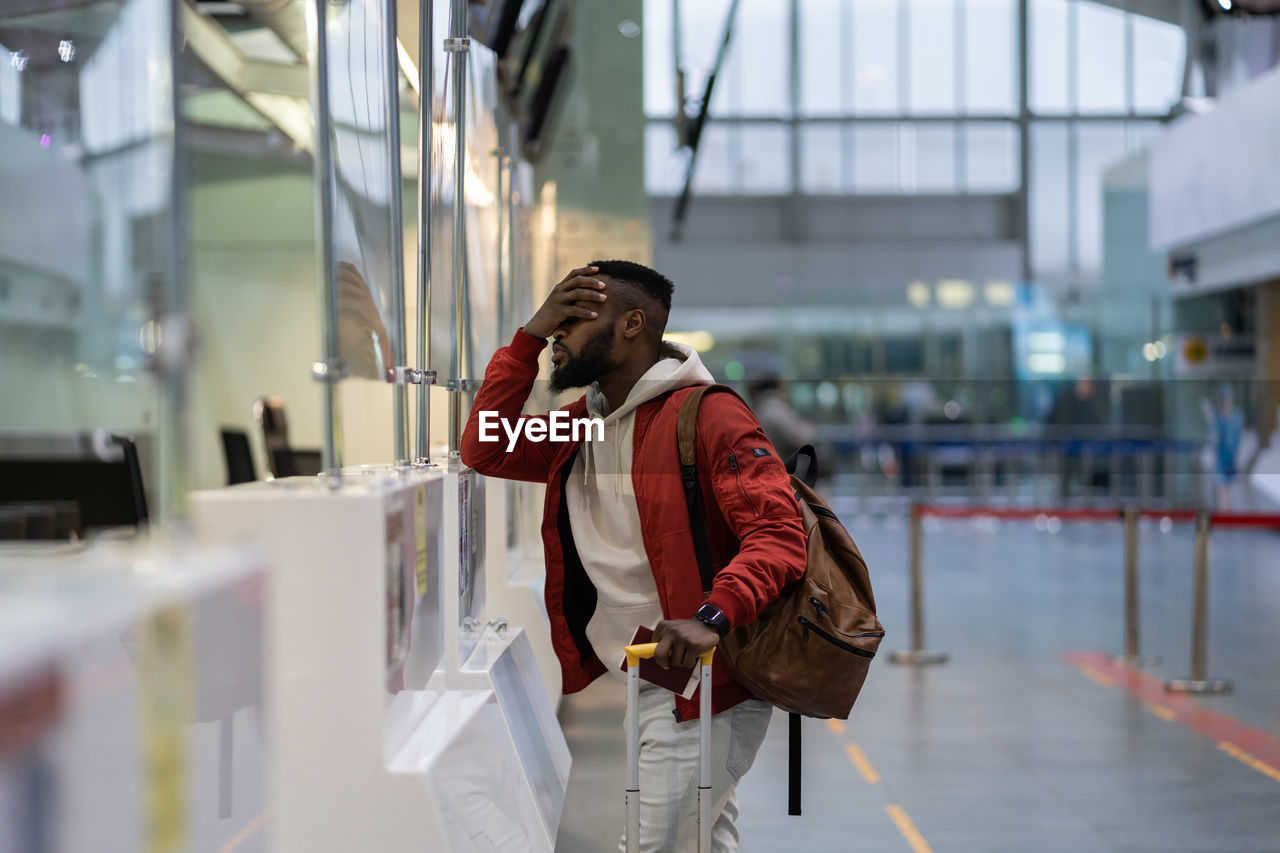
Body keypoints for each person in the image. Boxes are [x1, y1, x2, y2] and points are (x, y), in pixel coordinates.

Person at [461, 261, 807, 852]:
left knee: (653, 845)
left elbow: (780, 531)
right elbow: (485, 448)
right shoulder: (587, 426)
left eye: (570, 322)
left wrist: (712, 616)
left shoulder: (708, 415)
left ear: (631, 324)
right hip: (651, 668)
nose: (555, 338)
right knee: (697, 843)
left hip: (707, 677)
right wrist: (525, 339)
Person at [747, 378, 817, 463]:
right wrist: (810, 429)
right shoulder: (775, 408)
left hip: (767, 465)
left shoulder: (760, 408)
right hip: (778, 467)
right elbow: (798, 438)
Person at [1203, 383, 1243, 509]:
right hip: (1221, 455)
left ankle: (1229, 509)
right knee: (1222, 486)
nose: (1227, 402)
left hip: (1232, 456)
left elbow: (1238, 437)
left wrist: (1237, 456)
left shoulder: (1237, 416)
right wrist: (1209, 415)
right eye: (1225, 399)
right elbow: (1215, 434)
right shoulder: (1218, 418)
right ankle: (1224, 511)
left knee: (1230, 487)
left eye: (1229, 399)